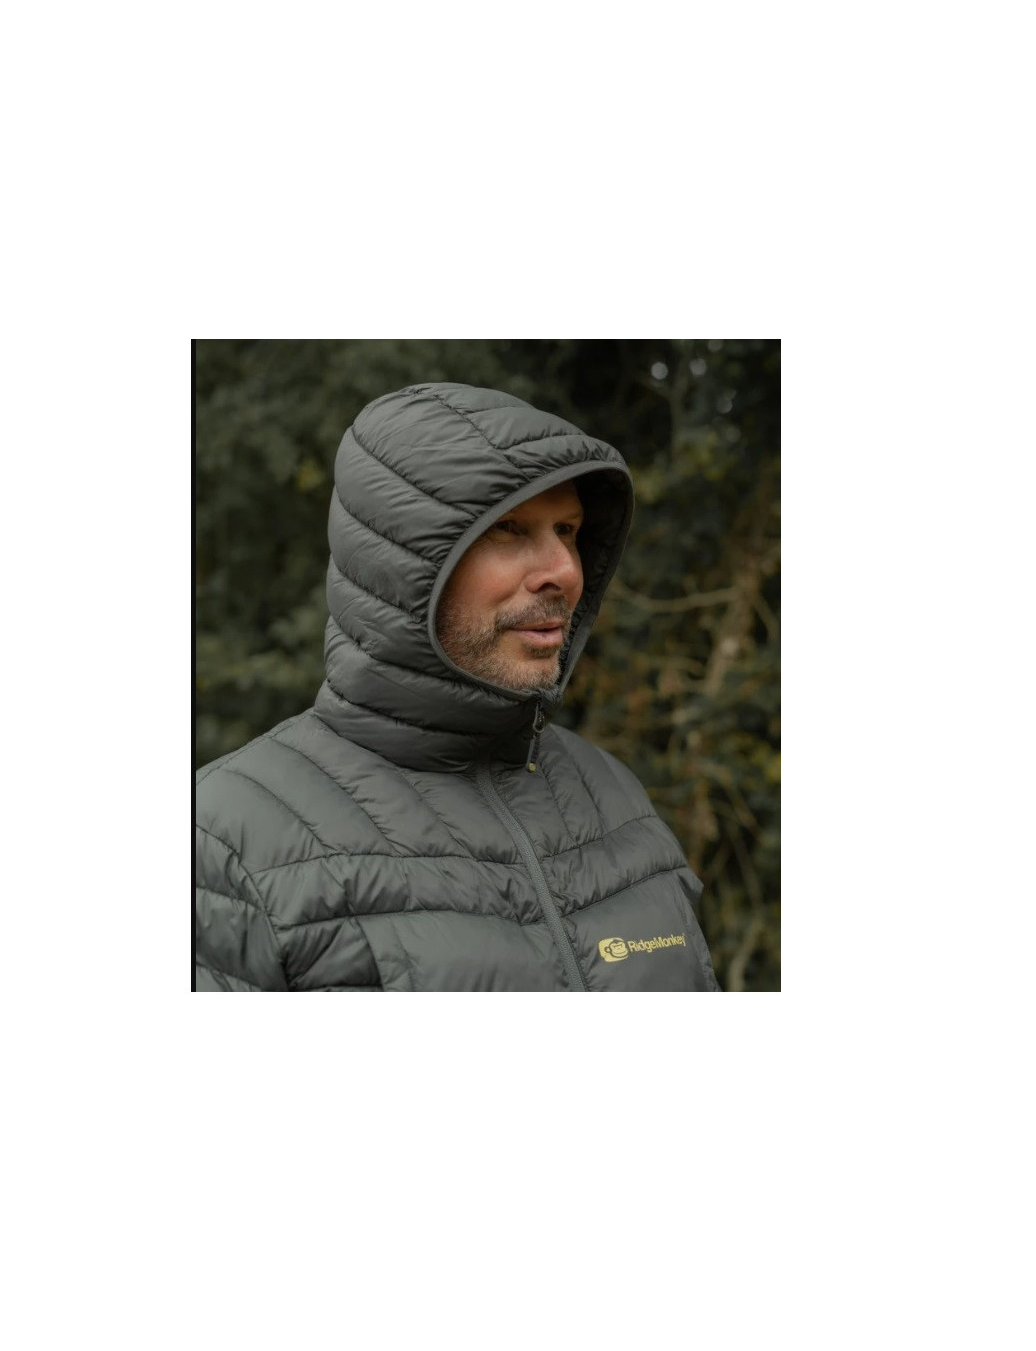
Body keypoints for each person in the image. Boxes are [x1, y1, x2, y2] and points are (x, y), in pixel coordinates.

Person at [195, 381, 720, 991]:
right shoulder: (229, 836)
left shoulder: (614, 798)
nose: (564, 571)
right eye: (510, 529)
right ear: (403, 565)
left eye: (568, 531)